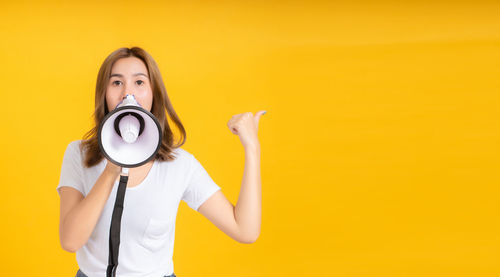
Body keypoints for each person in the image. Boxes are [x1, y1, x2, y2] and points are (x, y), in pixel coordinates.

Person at [56, 46, 265, 277]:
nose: (128, 93)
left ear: (154, 91)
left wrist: (252, 148)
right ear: (103, 93)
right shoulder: (79, 154)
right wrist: (112, 169)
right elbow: (70, 240)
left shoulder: (179, 165)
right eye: (116, 83)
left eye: (139, 82)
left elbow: (245, 231)